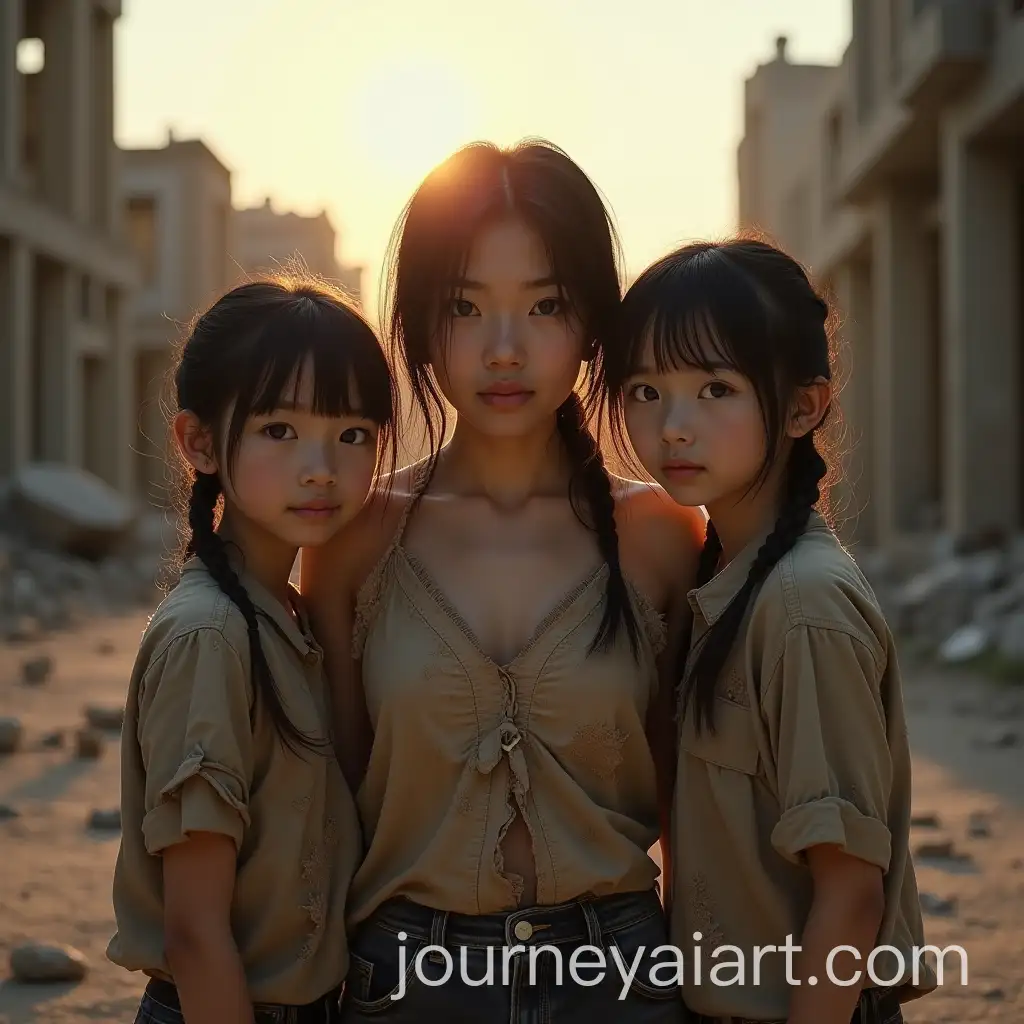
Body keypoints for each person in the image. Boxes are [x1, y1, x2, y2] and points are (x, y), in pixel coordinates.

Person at [301, 139, 704, 1023]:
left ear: (594, 322)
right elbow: (330, 804)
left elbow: (695, 807)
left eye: (546, 303)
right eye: (466, 306)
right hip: (407, 981)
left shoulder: (664, 538)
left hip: (623, 981)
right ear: (415, 323)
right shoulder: (355, 542)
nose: (506, 349)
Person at [604, 238, 938, 1024]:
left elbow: (851, 895)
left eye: (715, 388)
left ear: (802, 406)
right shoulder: (727, 579)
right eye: (647, 390)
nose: (674, 426)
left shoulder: (802, 608)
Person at [107, 275, 397, 1024]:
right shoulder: (213, 636)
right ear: (199, 442)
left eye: (353, 435)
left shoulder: (286, 616)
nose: (321, 468)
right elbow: (196, 932)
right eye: (279, 430)